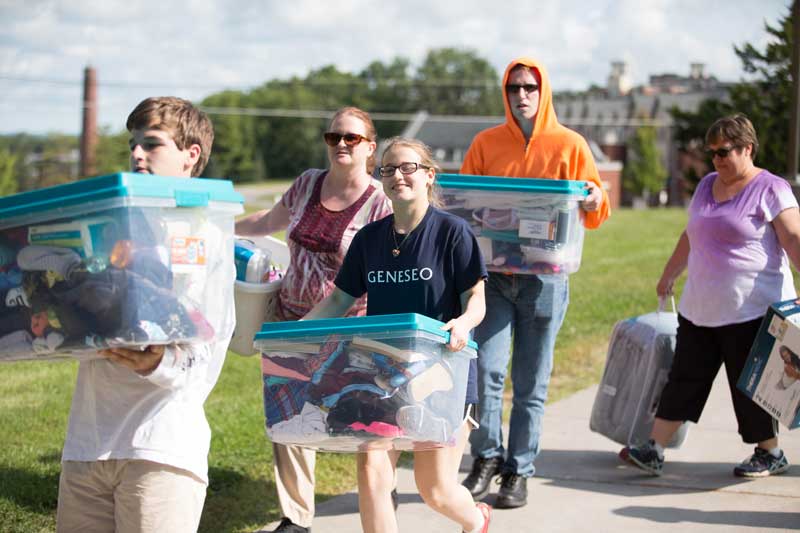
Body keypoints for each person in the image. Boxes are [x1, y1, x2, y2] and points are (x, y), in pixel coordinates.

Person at [56, 97, 230, 532]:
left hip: (161, 449)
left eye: (152, 144)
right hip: (87, 446)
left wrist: (158, 360)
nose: (136, 154)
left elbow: (205, 355)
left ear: (191, 156)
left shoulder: (204, 235)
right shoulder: (106, 231)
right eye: (133, 144)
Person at [304, 137, 491, 533]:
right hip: (381, 374)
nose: (397, 176)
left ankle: (476, 520)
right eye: (388, 169)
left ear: (428, 176)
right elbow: (339, 300)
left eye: (408, 168)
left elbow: (476, 299)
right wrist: (296, 334)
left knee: (434, 489)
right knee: (372, 468)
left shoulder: (453, 233)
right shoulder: (369, 239)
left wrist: (463, 323)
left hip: (444, 373)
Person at [460, 57, 609, 508]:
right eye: (513, 88)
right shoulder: (486, 143)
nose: (522, 95)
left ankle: (518, 471)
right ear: (505, 94)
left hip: (546, 281)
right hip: (497, 278)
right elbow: (463, 203)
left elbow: (595, 209)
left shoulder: (570, 144)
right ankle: (486, 456)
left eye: (530, 87)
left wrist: (595, 196)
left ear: (543, 92)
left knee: (530, 384)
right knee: (485, 371)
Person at [235, 107, 393, 533]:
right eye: (334, 136)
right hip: (289, 321)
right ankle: (297, 516)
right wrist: (220, 230)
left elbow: (384, 270)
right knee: (289, 417)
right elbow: (268, 223)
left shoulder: (380, 202)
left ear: (370, 148)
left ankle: (383, 492)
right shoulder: (307, 183)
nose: (341, 143)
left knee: (360, 419)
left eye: (352, 138)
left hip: (348, 329)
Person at [622, 114, 798, 477]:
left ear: (747, 148)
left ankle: (770, 452)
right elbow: (691, 235)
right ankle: (653, 449)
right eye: (713, 151)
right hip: (699, 308)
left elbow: (793, 237)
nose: (717, 158)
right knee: (684, 377)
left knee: (748, 387)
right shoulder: (706, 185)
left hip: (751, 310)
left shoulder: (771, 188)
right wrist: (670, 273)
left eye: (726, 151)